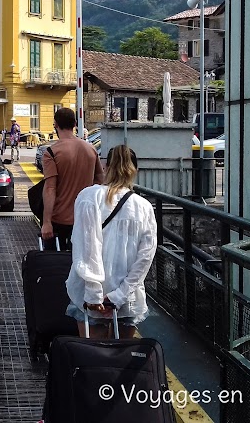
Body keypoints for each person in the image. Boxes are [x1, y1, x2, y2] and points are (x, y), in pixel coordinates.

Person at [65, 145, 157, 339]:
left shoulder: (89, 197)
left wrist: (94, 293)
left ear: (105, 167)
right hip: (127, 299)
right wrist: (119, 296)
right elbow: (145, 256)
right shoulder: (144, 207)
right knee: (120, 362)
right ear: (135, 171)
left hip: (87, 296)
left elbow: (86, 246)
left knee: (91, 358)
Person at [41, 107, 104, 250]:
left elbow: (50, 188)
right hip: (85, 219)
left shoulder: (51, 152)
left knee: (56, 265)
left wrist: (46, 222)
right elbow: (100, 181)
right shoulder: (90, 149)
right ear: (75, 123)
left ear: (55, 125)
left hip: (60, 220)